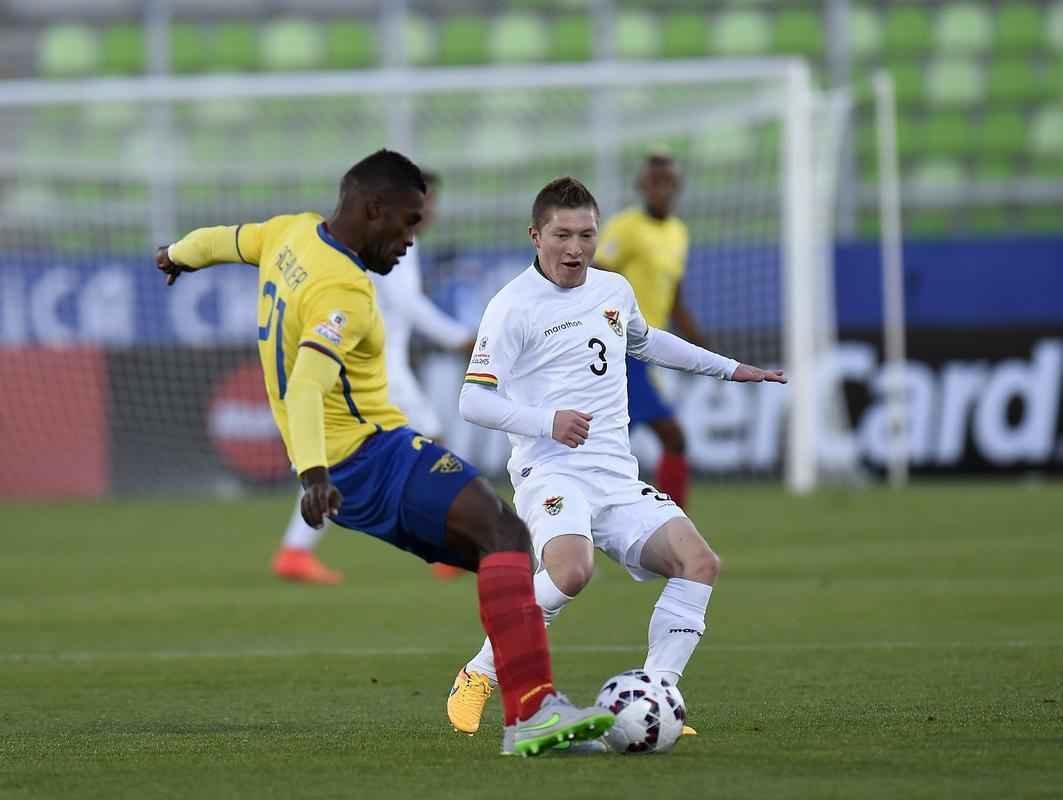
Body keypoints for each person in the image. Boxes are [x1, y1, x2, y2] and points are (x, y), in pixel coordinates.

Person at [154, 150, 613, 757]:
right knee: (503, 533)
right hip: (371, 457)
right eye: (407, 224)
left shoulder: (288, 232)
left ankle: (529, 707)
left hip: (360, 462)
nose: (410, 241)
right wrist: (314, 474)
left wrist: (176, 255)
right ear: (374, 210)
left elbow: (223, 241)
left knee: (504, 552)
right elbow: (311, 383)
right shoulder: (343, 289)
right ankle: (531, 711)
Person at [445, 176, 784, 741]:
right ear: (536, 235)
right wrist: (544, 421)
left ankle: (657, 694)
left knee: (699, 563)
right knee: (572, 573)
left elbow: (648, 341)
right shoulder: (511, 307)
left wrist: (731, 368)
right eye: (562, 235)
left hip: (615, 475)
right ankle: (479, 672)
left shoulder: (612, 289)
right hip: (550, 470)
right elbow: (471, 400)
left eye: (586, 235)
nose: (575, 248)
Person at [271, 169, 475, 585]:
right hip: (379, 369)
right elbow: (408, 302)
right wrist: (459, 338)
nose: (430, 210)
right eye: (426, 201)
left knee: (343, 460)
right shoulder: (396, 237)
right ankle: (448, 548)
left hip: (372, 365)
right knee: (432, 447)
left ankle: (295, 550)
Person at [594, 152, 706, 509]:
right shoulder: (624, 227)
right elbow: (593, 277)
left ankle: (565, 524)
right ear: (641, 186)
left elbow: (674, 298)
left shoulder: (678, 233)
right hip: (619, 348)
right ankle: (673, 531)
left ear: (678, 187)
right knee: (671, 437)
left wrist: (701, 344)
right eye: (653, 181)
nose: (660, 188)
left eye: (667, 181)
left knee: (604, 452)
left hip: (646, 349)